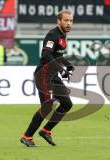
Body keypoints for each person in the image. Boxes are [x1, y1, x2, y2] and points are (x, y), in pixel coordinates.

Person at [20, 9, 75, 147]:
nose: (69, 23)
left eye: (70, 21)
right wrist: (60, 68)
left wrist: (68, 66)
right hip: (43, 75)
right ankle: (27, 136)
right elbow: (46, 55)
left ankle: (46, 130)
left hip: (53, 75)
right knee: (46, 108)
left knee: (67, 104)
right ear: (59, 21)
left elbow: (57, 55)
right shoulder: (53, 34)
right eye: (66, 20)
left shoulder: (63, 35)